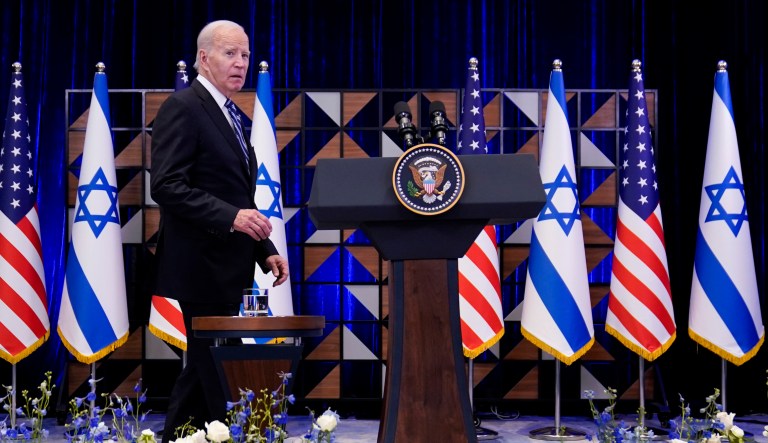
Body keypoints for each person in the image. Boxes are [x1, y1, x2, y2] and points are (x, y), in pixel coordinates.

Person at [150, 20, 289, 442]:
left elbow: (236, 196)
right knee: (209, 367)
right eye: (230, 53)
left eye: (245, 54)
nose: (241, 63)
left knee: (206, 368)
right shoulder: (184, 107)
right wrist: (232, 219)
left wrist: (264, 248)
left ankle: (192, 436)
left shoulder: (231, 114)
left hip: (226, 268)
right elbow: (167, 186)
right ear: (204, 58)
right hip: (199, 267)